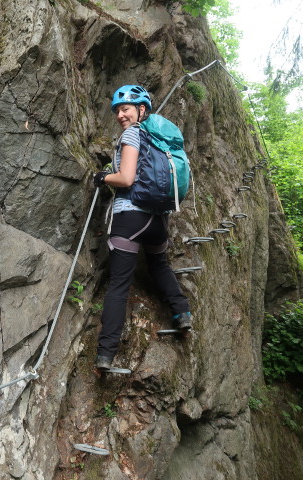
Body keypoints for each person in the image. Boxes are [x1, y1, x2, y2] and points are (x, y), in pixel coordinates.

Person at [92, 85, 193, 371]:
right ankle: (182, 312)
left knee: (119, 284)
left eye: (126, 109)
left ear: (142, 110)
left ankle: (105, 353)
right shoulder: (161, 141)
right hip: (158, 221)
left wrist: (103, 177)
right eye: (118, 111)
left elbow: (125, 178)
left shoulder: (133, 134)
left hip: (131, 217)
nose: (121, 115)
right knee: (160, 265)